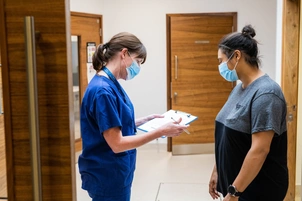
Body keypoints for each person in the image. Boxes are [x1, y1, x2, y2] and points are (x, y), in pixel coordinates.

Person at [78, 32, 188, 201]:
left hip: (114, 172)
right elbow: (117, 143)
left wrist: (143, 121)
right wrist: (160, 132)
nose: (138, 67)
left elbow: (110, 124)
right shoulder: (103, 91)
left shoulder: (109, 83)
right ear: (124, 54)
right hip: (108, 174)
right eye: (137, 61)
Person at [208, 25, 288, 201]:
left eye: (221, 60)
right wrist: (217, 171)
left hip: (258, 189)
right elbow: (226, 137)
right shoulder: (239, 89)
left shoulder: (267, 93)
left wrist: (234, 192)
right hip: (237, 184)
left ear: (236, 56)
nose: (220, 66)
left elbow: (259, 150)